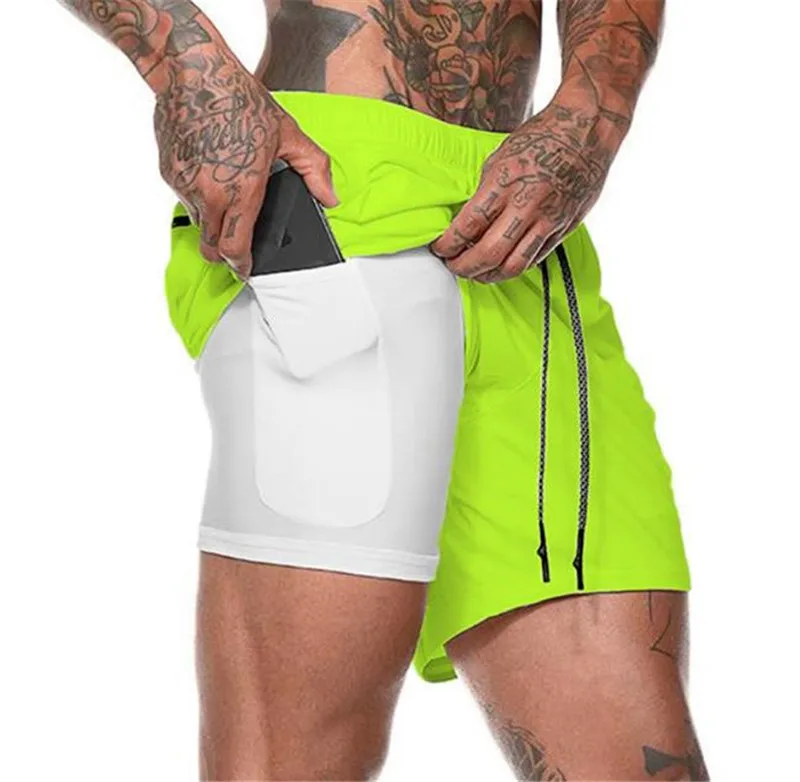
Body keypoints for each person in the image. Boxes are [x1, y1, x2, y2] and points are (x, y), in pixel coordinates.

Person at [58, 1, 707, 779]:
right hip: (331, 203)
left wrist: (591, 117)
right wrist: (188, 66)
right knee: (298, 761)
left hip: (530, 230)